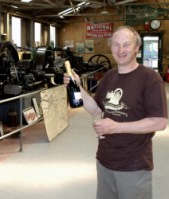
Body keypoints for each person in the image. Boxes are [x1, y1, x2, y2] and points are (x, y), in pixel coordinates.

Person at [63, 25, 168, 199]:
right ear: (111, 47)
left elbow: (160, 122)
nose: (121, 50)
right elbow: (96, 108)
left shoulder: (150, 78)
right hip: (105, 160)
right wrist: (78, 87)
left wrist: (116, 127)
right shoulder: (110, 76)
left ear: (136, 48)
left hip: (133, 165)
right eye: (116, 45)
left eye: (126, 44)